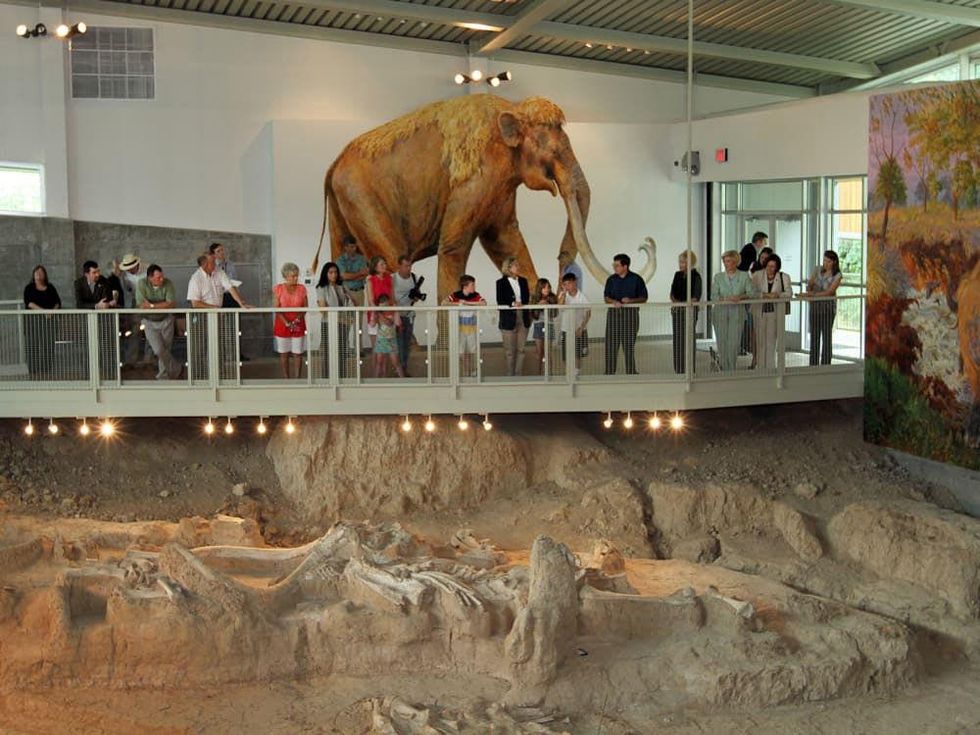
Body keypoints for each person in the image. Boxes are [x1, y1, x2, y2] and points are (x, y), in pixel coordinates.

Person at [187, 253, 251, 380]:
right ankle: (198, 377)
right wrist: (215, 309)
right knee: (200, 347)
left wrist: (241, 303)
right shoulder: (196, 278)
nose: (215, 264)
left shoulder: (219, 272)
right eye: (212, 262)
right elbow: (195, 303)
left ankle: (219, 376)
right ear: (204, 264)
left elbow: (230, 287)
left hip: (217, 315)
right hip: (201, 317)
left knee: (219, 345)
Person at [711, 250, 756, 372]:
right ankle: (725, 369)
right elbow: (714, 296)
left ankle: (731, 369)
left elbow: (752, 293)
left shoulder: (744, 276)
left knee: (733, 343)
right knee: (722, 343)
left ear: (736, 261)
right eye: (725, 261)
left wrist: (740, 297)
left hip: (737, 313)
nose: (726, 264)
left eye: (729, 261)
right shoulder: (718, 277)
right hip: (720, 313)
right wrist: (726, 298)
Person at [603, 253, 648, 375]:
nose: (614, 267)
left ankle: (631, 372)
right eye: (614, 265)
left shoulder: (637, 279)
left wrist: (631, 301)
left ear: (625, 266)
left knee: (628, 345)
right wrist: (614, 302)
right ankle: (609, 372)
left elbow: (644, 297)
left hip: (630, 317)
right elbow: (606, 297)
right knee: (611, 346)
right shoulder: (611, 279)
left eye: (617, 265)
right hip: (613, 317)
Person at [135, 264, 182, 380]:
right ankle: (176, 368)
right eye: (158, 278)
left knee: (166, 348)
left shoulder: (168, 283)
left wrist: (151, 305)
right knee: (158, 349)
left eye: (162, 276)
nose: (161, 279)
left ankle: (164, 375)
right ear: (150, 278)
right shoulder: (141, 284)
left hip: (166, 320)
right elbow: (141, 304)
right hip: (149, 321)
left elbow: (171, 303)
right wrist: (161, 305)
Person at [74, 261, 119, 381]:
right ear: (86, 274)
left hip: (102, 320)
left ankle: (108, 375)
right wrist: (96, 306)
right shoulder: (78, 283)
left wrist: (105, 304)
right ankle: (87, 375)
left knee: (105, 345)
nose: (97, 274)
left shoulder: (104, 281)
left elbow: (106, 301)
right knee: (86, 346)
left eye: (98, 271)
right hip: (86, 321)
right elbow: (80, 304)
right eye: (94, 272)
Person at [750, 253, 792, 371]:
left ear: (777, 267)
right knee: (760, 339)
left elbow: (789, 293)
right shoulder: (757, 275)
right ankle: (760, 366)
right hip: (759, 311)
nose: (770, 269)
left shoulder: (784, 277)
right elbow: (751, 292)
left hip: (774, 312)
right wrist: (764, 295)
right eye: (768, 266)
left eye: (773, 266)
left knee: (771, 340)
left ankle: (770, 367)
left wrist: (777, 295)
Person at [316, 261, 354, 379]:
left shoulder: (341, 286)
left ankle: (341, 377)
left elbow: (351, 302)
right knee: (328, 353)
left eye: (335, 272)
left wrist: (349, 295)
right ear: (325, 274)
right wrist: (341, 318)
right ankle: (327, 378)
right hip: (328, 324)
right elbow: (323, 310)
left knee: (342, 352)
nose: (334, 275)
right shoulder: (321, 287)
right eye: (331, 272)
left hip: (343, 323)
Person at [443, 275, 486, 378]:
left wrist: (467, 303)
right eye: (472, 285)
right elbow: (444, 303)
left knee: (472, 350)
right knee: (460, 352)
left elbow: (484, 303)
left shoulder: (475, 295)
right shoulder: (456, 295)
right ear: (465, 286)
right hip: (459, 329)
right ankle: (468, 369)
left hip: (472, 329)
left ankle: (473, 370)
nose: (474, 287)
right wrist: (458, 304)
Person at [23, 265, 62, 378]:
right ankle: (34, 373)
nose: (39, 275)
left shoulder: (50, 287)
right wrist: (44, 312)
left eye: (41, 273)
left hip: (49, 322)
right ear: (33, 275)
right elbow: (29, 303)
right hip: (33, 323)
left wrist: (52, 312)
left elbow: (58, 302)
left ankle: (46, 371)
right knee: (32, 347)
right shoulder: (29, 288)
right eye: (36, 273)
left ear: (45, 275)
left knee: (48, 346)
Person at [805, 250, 843, 366]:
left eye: (828, 261)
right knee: (814, 336)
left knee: (826, 336)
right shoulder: (817, 270)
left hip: (827, 308)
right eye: (824, 260)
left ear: (834, 262)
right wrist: (810, 286)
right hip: (815, 308)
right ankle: (813, 364)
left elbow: (830, 291)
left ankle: (826, 364)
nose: (825, 263)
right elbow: (809, 286)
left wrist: (814, 295)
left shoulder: (837, 275)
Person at [495, 257, 531, 376]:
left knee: (521, 349)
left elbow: (526, 297)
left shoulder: (523, 281)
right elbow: (500, 299)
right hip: (508, 317)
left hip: (523, 316)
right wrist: (512, 303)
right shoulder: (501, 282)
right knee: (510, 351)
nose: (518, 267)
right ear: (508, 268)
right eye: (515, 265)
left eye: (517, 265)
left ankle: (518, 374)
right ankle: (510, 375)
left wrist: (521, 303)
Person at [669, 250, 702, 375]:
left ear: (690, 262)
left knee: (688, 340)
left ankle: (689, 369)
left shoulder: (696, 276)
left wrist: (684, 304)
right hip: (677, 312)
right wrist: (676, 303)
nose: (680, 264)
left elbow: (696, 296)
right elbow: (672, 293)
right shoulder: (677, 275)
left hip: (689, 312)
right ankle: (678, 369)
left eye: (683, 262)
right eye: (680, 262)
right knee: (677, 339)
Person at [273, 262, 308, 379]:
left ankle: (297, 378)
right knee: (284, 354)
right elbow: (276, 308)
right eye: (293, 276)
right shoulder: (278, 289)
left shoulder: (302, 288)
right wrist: (287, 322)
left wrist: (296, 320)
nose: (296, 278)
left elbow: (305, 308)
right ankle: (286, 378)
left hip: (298, 324)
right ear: (286, 276)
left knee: (298, 353)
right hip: (282, 324)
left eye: (297, 275)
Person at [337, 236, 369, 351]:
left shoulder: (361, 259)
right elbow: (343, 276)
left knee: (358, 322)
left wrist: (351, 275)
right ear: (345, 247)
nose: (353, 249)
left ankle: (358, 349)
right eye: (350, 246)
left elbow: (365, 273)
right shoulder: (340, 260)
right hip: (346, 293)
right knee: (346, 322)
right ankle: (344, 349)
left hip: (359, 291)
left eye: (354, 246)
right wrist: (358, 274)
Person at [392, 255, 422, 376]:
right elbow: (390, 297)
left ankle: (404, 367)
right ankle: (399, 369)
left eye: (410, 266)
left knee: (406, 343)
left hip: (409, 314)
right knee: (398, 343)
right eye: (406, 266)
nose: (408, 268)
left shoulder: (414, 278)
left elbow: (417, 296)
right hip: (396, 315)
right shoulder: (392, 278)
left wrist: (415, 297)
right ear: (399, 266)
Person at [112, 253, 143, 368]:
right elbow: (128, 290)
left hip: (149, 301)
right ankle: (131, 360)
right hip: (135, 302)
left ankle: (149, 360)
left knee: (150, 328)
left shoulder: (147, 270)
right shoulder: (125, 276)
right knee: (134, 331)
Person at [558, 271, 590, 374]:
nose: (567, 286)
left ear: (575, 282)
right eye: (565, 284)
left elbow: (588, 313)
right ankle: (568, 373)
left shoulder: (582, 296)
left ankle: (576, 373)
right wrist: (563, 293)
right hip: (566, 329)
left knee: (578, 354)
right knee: (565, 354)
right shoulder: (563, 295)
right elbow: (560, 306)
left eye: (569, 283)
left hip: (579, 329)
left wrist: (581, 328)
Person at [365, 256, 394, 362]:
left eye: (385, 263)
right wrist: (379, 316)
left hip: (388, 315)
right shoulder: (370, 280)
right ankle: (375, 376)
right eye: (381, 264)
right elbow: (371, 301)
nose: (384, 266)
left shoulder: (389, 278)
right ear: (375, 267)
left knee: (385, 349)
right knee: (376, 349)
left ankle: (384, 377)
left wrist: (394, 315)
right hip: (375, 316)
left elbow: (392, 298)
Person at [372, 294, 404, 378]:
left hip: (391, 341)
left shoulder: (393, 312)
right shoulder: (377, 313)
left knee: (396, 362)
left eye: (386, 303)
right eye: (382, 303)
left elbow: (397, 323)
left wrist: (396, 310)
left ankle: (403, 380)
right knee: (379, 362)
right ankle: (375, 381)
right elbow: (372, 324)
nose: (385, 306)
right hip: (381, 340)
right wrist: (374, 313)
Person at [530, 278, 558, 375]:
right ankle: (539, 373)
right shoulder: (534, 298)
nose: (547, 289)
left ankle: (550, 374)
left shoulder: (553, 298)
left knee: (548, 352)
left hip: (549, 325)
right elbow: (533, 315)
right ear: (540, 288)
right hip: (538, 325)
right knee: (539, 352)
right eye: (544, 287)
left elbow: (554, 314)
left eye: (548, 287)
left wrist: (549, 306)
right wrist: (538, 305)